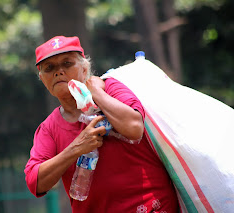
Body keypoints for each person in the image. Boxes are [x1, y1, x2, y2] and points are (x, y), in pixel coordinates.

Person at [24, 35, 179, 213]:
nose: (58, 72)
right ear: (43, 79)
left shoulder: (111, 88)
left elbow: (134, 128)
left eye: (67, 64)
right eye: (49, 68)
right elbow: (35, 182)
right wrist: (76, 148)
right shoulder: (49, 128)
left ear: (84, 68)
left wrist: (96, 91)